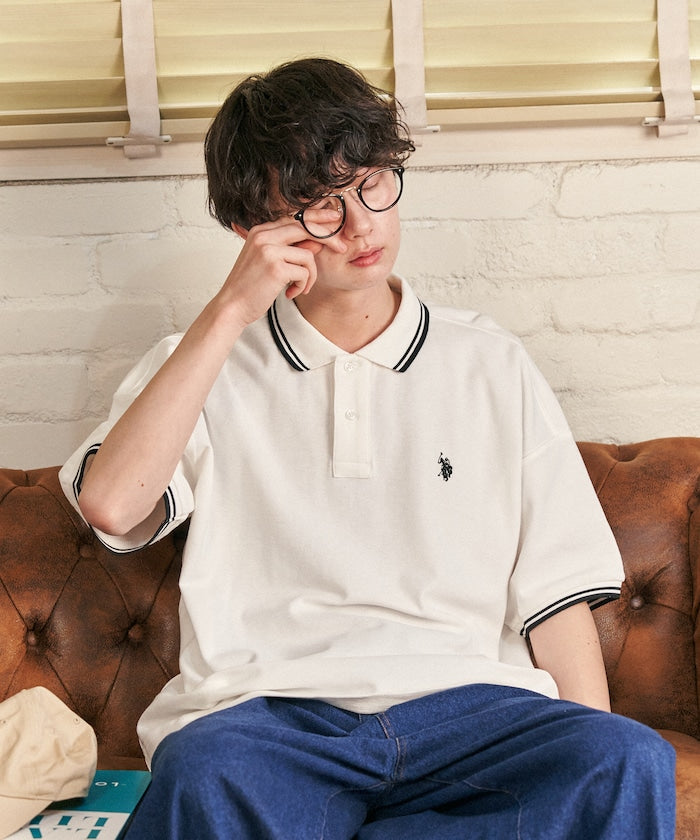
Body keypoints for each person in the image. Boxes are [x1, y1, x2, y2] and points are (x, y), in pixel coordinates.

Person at [59, 58, 675, 839]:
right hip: (270, 721)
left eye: (372, 184)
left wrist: (590, 747)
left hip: (471, 712)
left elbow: (555, 597)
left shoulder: (490, 363)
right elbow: (113, 506)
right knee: (202, 770)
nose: (360, 226)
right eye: (321, 204)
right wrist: (229, 312)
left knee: (626, 759)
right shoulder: (201, 362)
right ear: (253, 228)